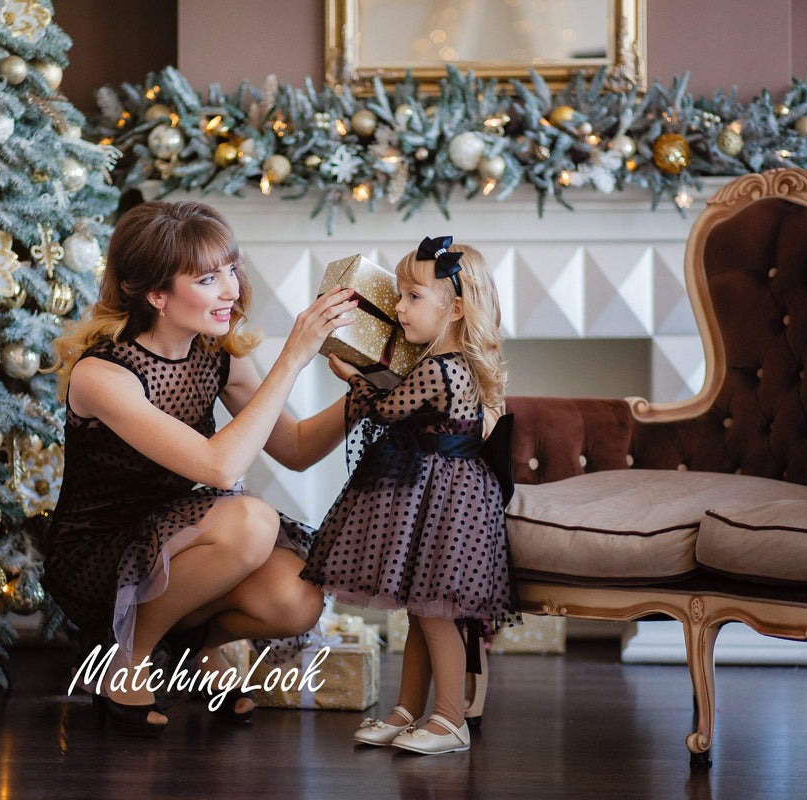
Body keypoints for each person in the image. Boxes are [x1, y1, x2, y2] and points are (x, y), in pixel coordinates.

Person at [44, 200, 359, 736]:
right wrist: (292, 358)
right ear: (156, 294)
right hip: (99, 556)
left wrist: (366, 397)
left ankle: (195, 649)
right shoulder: (103, 374)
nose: (233, 290)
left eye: (231, 270)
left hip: (183, 543)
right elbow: (218, 469)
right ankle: (128, 659)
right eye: (209, 278)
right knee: (251, 521)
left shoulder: (219, 355)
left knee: (297, 601)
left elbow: (297, 447)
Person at [300, 235, 521, 755]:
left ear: (457, 308)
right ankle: (407, 708)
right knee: (421, 610)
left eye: (413, 297)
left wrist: (353, 376)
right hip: (438, 492)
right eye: (398, 296)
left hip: (449, 499)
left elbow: (387, 410)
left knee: (435, 612)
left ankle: (450, 718)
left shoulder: (440, 367)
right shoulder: (444, 361)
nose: (399, 308)